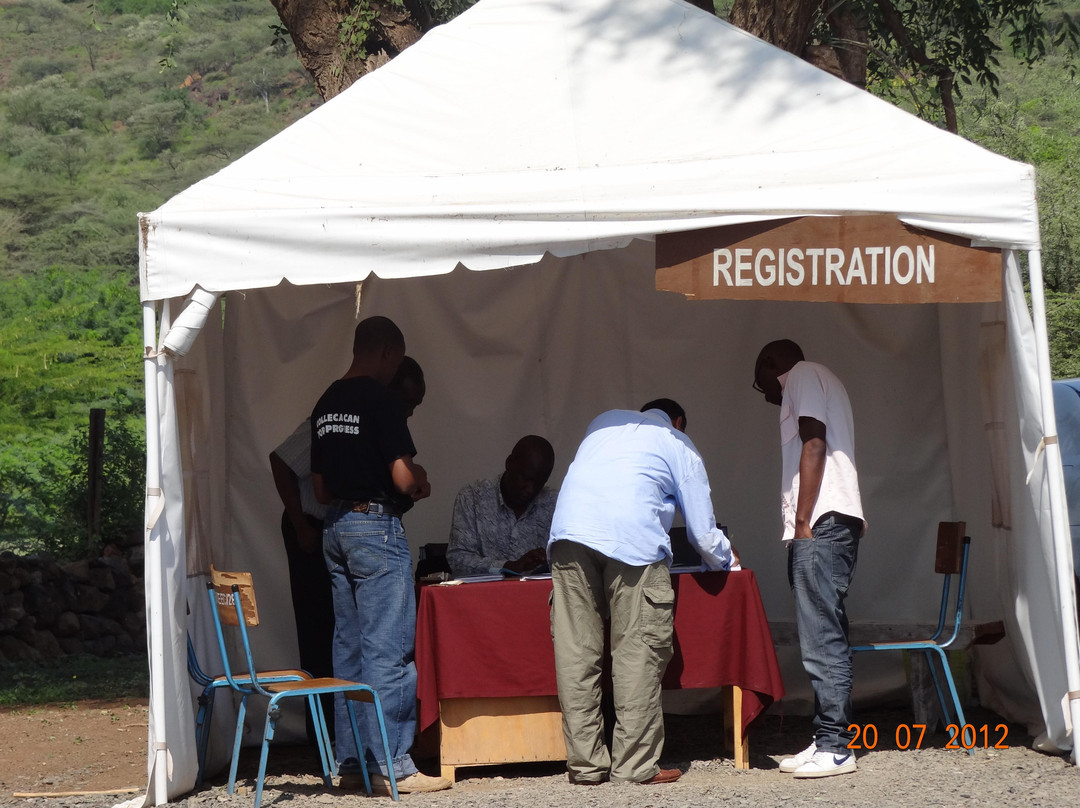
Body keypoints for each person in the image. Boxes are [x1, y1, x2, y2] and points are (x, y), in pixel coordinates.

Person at [547, 399, 736, 785]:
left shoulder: (602, 422)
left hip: (568, 536)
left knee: (576, 653)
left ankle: (585, 766)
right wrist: (726, 558)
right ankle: (634, 766)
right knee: (637, 652)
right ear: (678, 421)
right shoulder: (678, 443)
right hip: (633, 542)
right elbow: (703, 534)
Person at [310, 318, 450, 795]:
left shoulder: (326, 402)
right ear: (388, 351)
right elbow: (403, 478)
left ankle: (353, 762)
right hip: (374, 526)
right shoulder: (381, 399)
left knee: (348, 649)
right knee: (387, 649)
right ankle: (394, 764)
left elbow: (320, 489)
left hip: (335, 528)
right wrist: (420, 478)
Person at [268, 356, 426, 744]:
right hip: (314, 526)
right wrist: (301, 524)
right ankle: (352, 744)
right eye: (407, 402)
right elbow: (281, 461)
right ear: (387, 386)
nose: (409, 412)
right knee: (350, 638)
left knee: (346, 642)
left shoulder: (347, 409)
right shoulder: (352, 415)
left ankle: (348, 746)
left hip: (334, 526)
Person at [752, 339, 865, 779]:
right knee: (820, 633)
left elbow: (814, 441)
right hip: (828, 522)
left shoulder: (801, 374)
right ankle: (825, 738)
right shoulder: (818, 379)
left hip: (821, 522)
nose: (765, 394)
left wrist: (803, 520)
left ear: (770, 365)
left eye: (760, 382)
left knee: (822, 637)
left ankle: (836, 747)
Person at [446, 435, 557, 577]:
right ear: (509, 463)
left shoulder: (554, 504)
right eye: (525, 478)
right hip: (484, 591)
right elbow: (457, 560)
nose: (530, 489)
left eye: (539, 483)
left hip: (539, 591)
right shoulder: (472, 498)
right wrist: (508, 566)